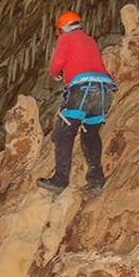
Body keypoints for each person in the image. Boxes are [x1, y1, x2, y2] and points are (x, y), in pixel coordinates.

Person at [38, 10, 118, 194]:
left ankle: (60, 179)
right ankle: (96, 179)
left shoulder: (66, 39)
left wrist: (56, 73)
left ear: (62, 29)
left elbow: (57, 63)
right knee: (90, 134)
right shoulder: (89, 40)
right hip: (105, 91)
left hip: (83, 89)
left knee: (64, 132)